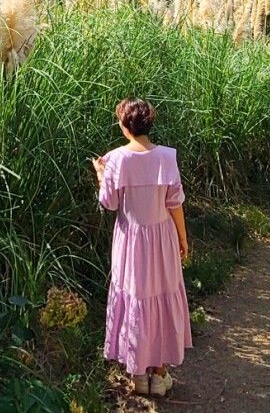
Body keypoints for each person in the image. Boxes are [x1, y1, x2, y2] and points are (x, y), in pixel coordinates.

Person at [92, 97, 192, 398]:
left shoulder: (117, 159)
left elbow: (108, 203)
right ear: (149, 123)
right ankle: (160, 375)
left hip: (131, 239)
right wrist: (183, 239)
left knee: (134, 295)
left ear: (125, 125)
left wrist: (100, 175)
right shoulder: (166, 157)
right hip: (162, 237)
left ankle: (137, 375)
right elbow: (175, 204)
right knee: (162, 296)